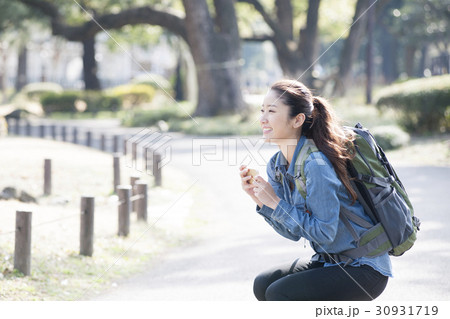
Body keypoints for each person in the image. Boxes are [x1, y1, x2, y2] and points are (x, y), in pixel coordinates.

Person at [239, 79, 391, 301]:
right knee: (263, 283)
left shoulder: (315, 165)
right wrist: (260, 201)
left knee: (278, 293)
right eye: (262, 110)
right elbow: (292, 232)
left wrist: (275, 203)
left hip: (363, 268)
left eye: (271, 111)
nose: (262, 118)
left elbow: (324, 233)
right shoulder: (277, 165)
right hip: (329, 260)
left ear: (298, 119)